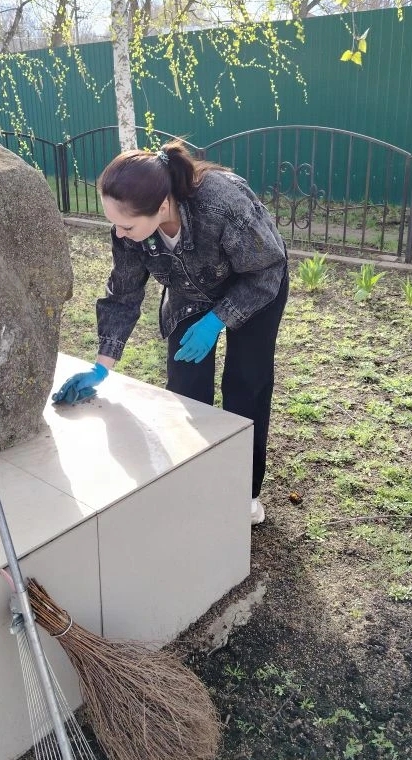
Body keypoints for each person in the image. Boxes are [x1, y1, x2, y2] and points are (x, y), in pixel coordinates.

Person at [52, 140, 289, 526]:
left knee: (246, 385)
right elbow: (124, 294)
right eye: (115, 223)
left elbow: (267, 270)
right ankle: (195, 469)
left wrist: (217, 320)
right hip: (190, 293)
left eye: (127, 225)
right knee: (185, 385)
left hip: (256, 283)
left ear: (162, 206)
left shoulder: (222, 204)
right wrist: (100, 367)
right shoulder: (129, 232)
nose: (120, 233)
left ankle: (243, 491)